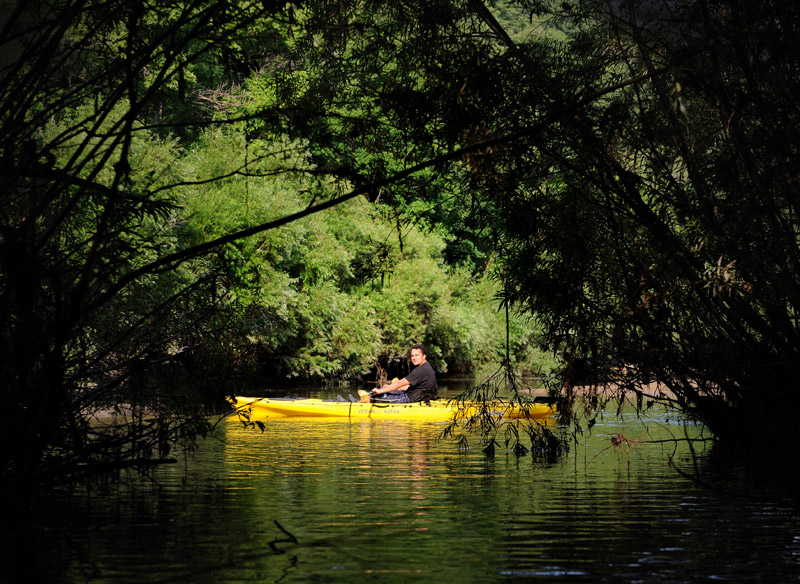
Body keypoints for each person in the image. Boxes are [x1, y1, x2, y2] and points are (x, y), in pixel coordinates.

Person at [360, 345, 439, 403]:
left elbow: (399, 383)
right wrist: (388, 388)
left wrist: (382, 391)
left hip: (409, 398)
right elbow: (410, 386)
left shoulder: (420, 370)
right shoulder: (427, 367)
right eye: (412, 356)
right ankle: (358, 401)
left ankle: (356, 405)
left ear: (424, 356)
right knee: (382, 390)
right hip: (420, 396)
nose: (414, 358)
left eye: (417, 355)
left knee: (371, 397)